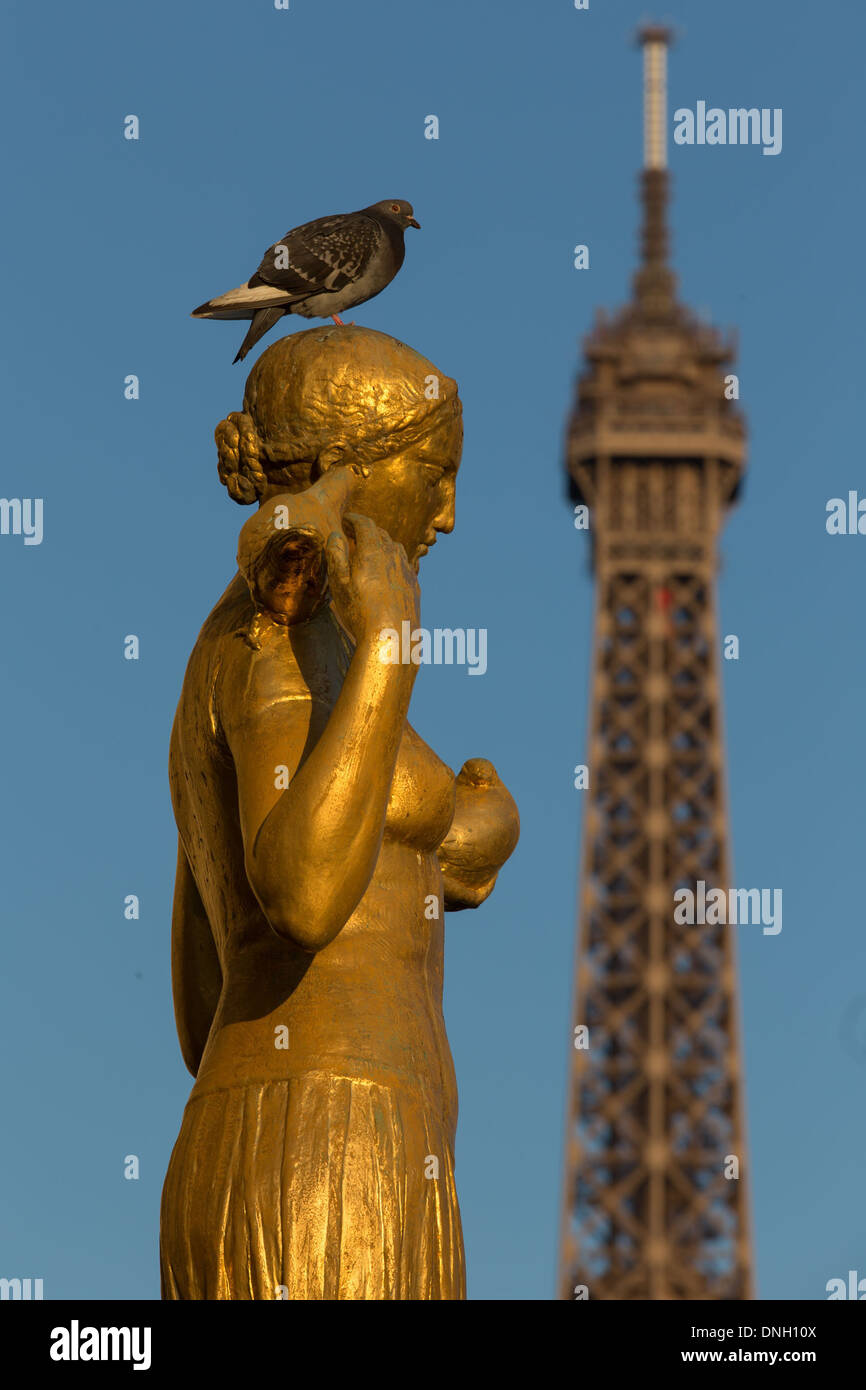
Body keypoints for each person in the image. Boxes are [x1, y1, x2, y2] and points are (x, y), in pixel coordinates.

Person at [160, 326, 519, 1300]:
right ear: (347, 472)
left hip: (365, 1136)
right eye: (431, 471)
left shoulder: (308, 646)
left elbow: (205, 984)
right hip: (319, 1144)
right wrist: (393, 654)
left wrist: (460, 840)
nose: (445, 511)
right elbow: (306, 892)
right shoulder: (264, 637)